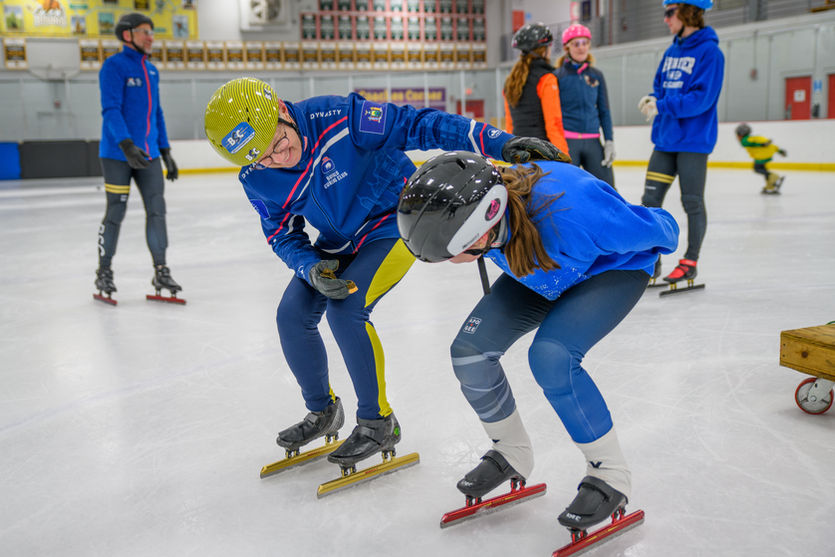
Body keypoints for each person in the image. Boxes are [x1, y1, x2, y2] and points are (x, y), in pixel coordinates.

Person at [203, 77, 566, 472]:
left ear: (282, 111)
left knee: (347, 310)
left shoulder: (342, 117)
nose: (279, 158)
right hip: (337, 244)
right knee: (291, 316)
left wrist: (497, 143)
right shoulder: (255, 177)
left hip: (392, 224)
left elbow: (419, 124)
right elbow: (280, 234)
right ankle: (323, 411)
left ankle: (378, 423)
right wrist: (308, 267)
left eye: (278, 143)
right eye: (263, 159)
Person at [397, 151, 678, 534]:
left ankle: (610, 474)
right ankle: (511, 451)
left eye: (448, 254)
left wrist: (649, 235)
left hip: (610, 272)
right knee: (469, 351)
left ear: (478, 233)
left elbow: (664, 229)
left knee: (551, 356)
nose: (448, 261)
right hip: (538, 267)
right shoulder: (485, 206)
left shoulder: (573, 211)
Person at [95, 12, 181, 301]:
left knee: (157, 210)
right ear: (127, 34)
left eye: (152, 32)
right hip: (117, 155)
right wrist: (127, 145)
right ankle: (104, 271)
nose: (151, 37)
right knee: (115, 212)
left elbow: (157, 113)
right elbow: (110, 110)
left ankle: (161, 270)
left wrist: (165, 151)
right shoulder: (113, 66)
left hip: (149, 156)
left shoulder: (151, 71)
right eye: (145, 31)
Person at [637, 0, 723, 285]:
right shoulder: (671, 51)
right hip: (665, 140)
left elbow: (702, 99)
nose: (665, 19)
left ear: (688, 12)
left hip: (693, 142)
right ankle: (652, 261)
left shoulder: (711, 53)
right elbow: (660, 86)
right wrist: (653, 98)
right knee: (650, 201)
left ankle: (690, 262)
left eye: (669, 12)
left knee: (692, 202)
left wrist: (662, 106)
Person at [555, 24, 616, 188]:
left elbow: (604, 110)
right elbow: (552, 113)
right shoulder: (557, 76)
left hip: (593, 141)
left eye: (585, 43)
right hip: (568, 142)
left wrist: (609, 140)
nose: (581, 48)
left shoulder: (597, 75)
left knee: (607, 189)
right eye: (576, 43)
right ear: (567, 47)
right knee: (567, 190)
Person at [503, 22, 569, 156]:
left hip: (518, 153)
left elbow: (510, 124)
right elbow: (553, 124)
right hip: (542, 153)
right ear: (543, 50)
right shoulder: (546, 78)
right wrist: (564, 156)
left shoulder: (511, 81)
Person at [735, 123, 787, 194]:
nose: (737, 137)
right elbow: (772, 146)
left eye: (737, 134)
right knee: (763, 170)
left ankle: (774, 177)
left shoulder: (744, 140)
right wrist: (780, 151)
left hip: (761, 156)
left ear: (741, 134)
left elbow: (748, 143)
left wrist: (761, 145)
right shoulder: (755, 138)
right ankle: (770, 186)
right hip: (767, 155)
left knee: (757, 169)